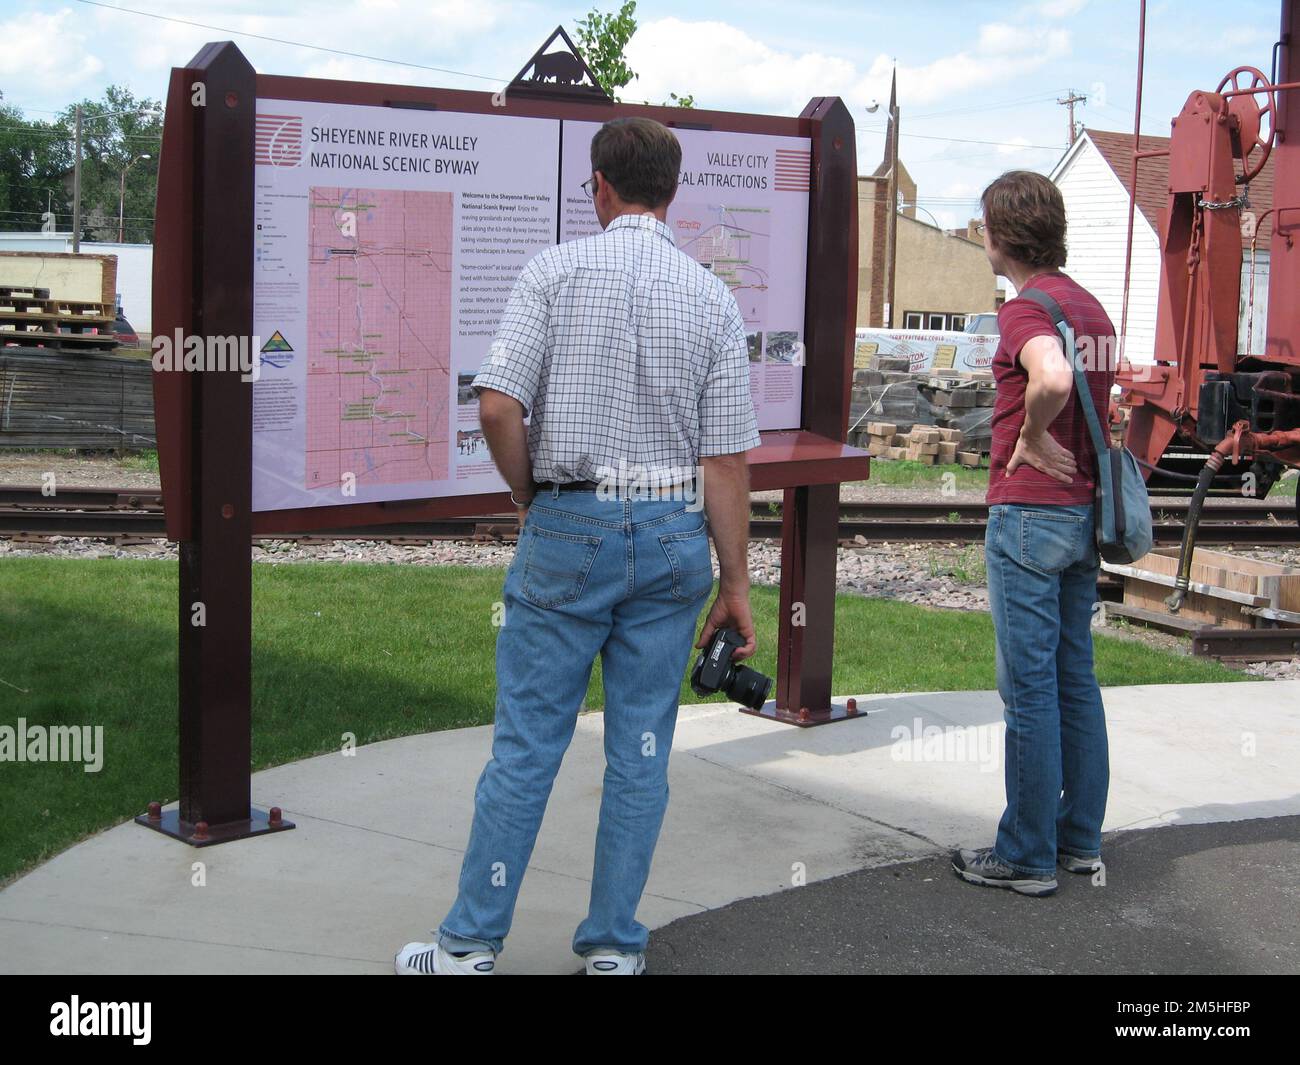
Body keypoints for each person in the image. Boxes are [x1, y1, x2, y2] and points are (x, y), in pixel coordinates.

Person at [396, 117, 760, 974]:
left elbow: (496, 407)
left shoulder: (552, 272)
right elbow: (727, 462)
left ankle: (469, 945)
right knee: (641, 751)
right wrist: (737, 583)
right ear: (672, 194)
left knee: (527, 748)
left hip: (572, 522)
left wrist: (530, 498)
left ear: (600, 185)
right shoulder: (712, 297)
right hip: (673, 535)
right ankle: (611, 948)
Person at [952, 170, 1115, 897]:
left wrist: (1031, 436)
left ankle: (1024, 853)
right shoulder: (1092, 308)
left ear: (999, 234)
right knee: (1074, 676)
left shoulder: (1024, 312)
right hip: (1082, 516)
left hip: (1029, 516)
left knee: (1028, 688)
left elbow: (1048, 377)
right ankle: (1077, 839)